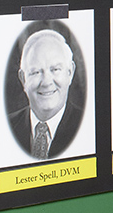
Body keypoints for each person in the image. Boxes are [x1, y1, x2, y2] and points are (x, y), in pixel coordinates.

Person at [8, 29, 83, 159]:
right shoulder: (6, 128)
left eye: (55, 70)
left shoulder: (87, 125)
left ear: (70, 72)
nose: (46, 82)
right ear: (23, 79)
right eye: (36, 72)